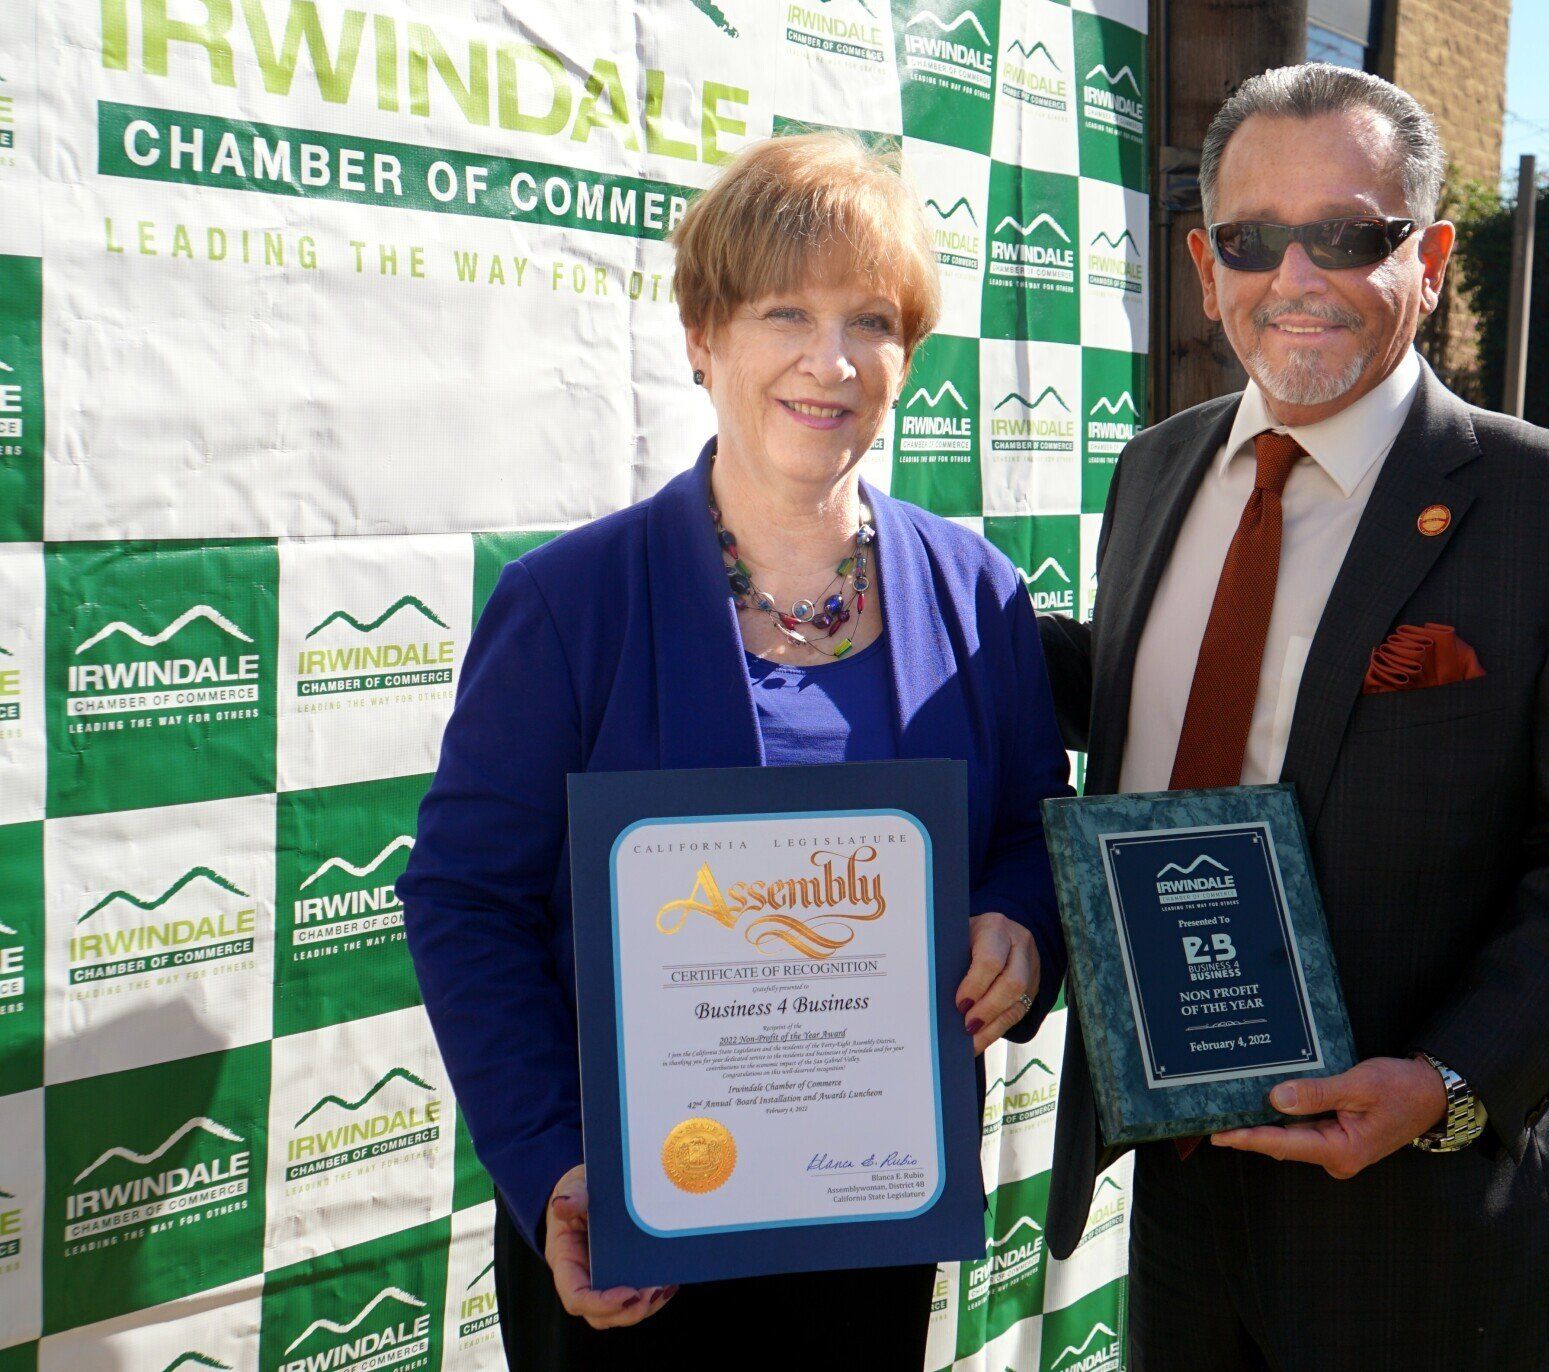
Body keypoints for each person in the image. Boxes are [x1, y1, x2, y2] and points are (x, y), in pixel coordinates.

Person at [1039, 64, 1549, 1370]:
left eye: (1347, 235)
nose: (1295, 275)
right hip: (1177, 1180)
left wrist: (1449, 1086)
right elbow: (1142, 698)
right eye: (1251, 238)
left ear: (1433, 255)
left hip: (1425, 1224)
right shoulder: (1156, 469)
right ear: (1202, 260)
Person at [397, 132, 1070, 1369]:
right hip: (631, 1231)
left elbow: (1031, 830)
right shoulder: (570, 602)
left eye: (873, 318)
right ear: (704, 337)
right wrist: (554, 1161)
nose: (832, 359)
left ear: (907, 355)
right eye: (786, 313)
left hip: (869, 1219)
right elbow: (463, 899)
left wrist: (1020, 927)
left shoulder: (978, 592)